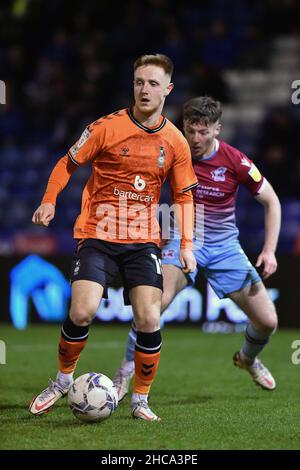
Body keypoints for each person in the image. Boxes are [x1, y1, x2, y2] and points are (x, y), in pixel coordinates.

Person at [29, 54, 199, 422]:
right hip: (98, 234)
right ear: (132, 84)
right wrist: (48, 200)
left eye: (153, 83)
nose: (145, 89)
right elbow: (66, 164)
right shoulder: (105, 127)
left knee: (149, 319)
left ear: (167, 89)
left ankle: (140, 399)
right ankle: (61, 382)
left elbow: (184, 194)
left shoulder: (176, 141)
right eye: (139, 81)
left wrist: (186, 245)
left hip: (142, 241)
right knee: (81, 311)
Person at [113, 96, 281, 401]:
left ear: (217, 129)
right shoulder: (171, 154)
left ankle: (247, 358)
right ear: (185, 128)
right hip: (181, 242)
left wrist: (269, 251)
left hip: (224, 247)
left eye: (204, 131)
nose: (196, 138)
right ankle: (124, 372)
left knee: (268, 321)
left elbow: (272, 202)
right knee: (152, 306)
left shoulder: (235, 161)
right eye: (191, 131)